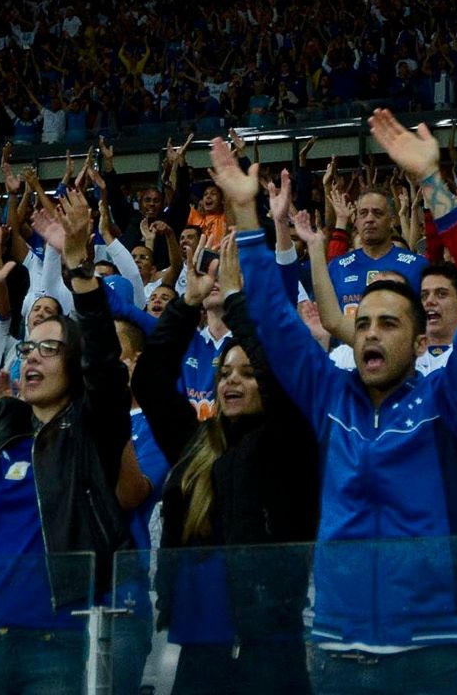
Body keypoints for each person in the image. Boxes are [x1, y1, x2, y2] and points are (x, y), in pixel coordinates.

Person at [215, 125, 457, 695]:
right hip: (335, 652)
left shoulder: (448, 404)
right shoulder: (331, 396)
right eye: (364, 322)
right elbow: (274, 321)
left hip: (430, 655)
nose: (371, 333)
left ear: (420, 339)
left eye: (389, 323)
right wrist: (245, 213)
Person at [0, 197, 131, 695]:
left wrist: (80, 267)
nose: (32, 357)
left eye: (49, 348)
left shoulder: (90, 431)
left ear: (74, 364)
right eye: (27, 347)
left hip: (57, 644)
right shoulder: (2, 427)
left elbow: (105, 365)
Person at [132, 230, 318, 695]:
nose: (232, 381)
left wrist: (236, 302)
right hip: (199, 646)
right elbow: (152, 383)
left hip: (268, 648)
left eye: (247, 373)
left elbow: (282, 381)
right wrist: (185, 304)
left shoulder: (289, 441)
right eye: (224, 373)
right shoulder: (199, 444)